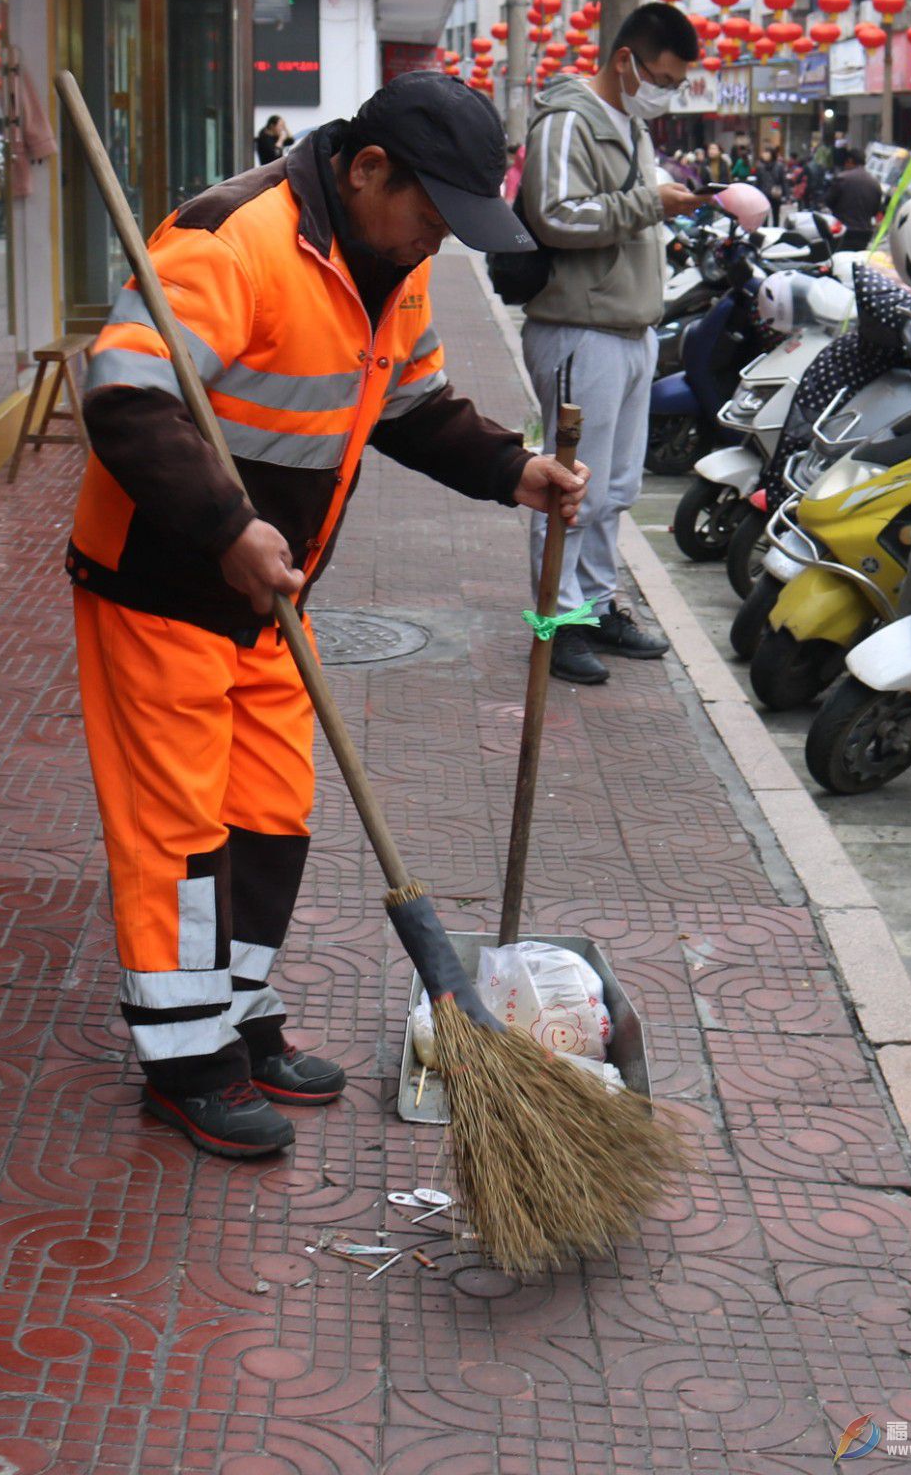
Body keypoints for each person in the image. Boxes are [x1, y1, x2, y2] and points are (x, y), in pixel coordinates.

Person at [68, 72, 587, 1157]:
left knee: (270, 811)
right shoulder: (230, 239)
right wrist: (224, 526)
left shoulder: (392, 263)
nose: (436, 242)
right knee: (179, 829)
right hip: (165, 581)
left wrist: (511, 469)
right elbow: (124, 396)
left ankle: (240, 1019)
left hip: (270, 594)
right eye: (431, 214)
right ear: (366, 171)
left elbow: (411, 405)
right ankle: (185, 1061)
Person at [519, 0, 701, 685]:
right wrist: (653, 202)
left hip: (630, 329)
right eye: (661, 76)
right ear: (624, 60)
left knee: (615, 487)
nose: (665, 93)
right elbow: (556, 214)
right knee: (567, 486)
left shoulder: (627, 123)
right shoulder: (568, 120)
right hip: (579, 330)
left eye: (676, 83)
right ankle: (552, 624)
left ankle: (592, 607)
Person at [823, 147, 882, 252]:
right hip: (865, 233)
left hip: (844, 231)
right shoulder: (875, 183)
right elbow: (875, 211)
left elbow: (828, 201)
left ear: (850, 161)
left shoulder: (842, 178)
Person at [755, 146, 787, 225]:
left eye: (766, 153)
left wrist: (786, 195)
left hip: (775, 193)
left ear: (772, 154)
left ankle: (775, 231)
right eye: (764, 153)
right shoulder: (760, 166)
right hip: (763, 193)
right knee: (764, 216)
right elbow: (758, 181)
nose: (764, 155)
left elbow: (783, 181)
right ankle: (764, 232)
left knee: (776, 215)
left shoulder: (779, 166)